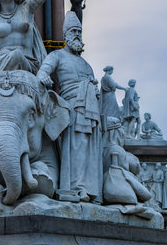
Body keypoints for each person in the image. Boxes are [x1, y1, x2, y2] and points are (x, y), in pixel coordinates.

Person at [37, 11, 102, 203]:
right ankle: (76, 187)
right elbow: (42, 71)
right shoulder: (57, 55)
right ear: (65, 35)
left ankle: (92, 189)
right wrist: (43, 77)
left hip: (91, 108)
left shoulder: (86, 63)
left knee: (91, 149)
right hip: (73, 107)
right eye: (73, 31)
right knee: (77, 147)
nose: (77, 35)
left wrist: (95, 91)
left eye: (79, 32)